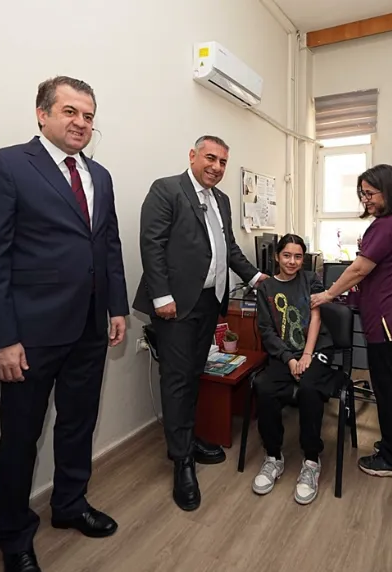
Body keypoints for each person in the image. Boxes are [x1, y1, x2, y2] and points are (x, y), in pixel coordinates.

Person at [0, 76, 128, 572]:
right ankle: (13, 536)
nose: (81, 122)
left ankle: (70, 504)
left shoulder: (100, 175)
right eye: (70, 111)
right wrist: (1, 338)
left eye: (88, 115)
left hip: (90, 327)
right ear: (42, 114)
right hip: (30, 335)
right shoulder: (6, 166)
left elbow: (108, 246)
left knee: (79, 423)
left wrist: (117, 308)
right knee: (21, 438)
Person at [133, 136, 265, 512]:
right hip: (175, 305)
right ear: (192, 156)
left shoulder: (220, 200)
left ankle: (187, 441)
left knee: (193, 375)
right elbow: (151, 244)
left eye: (223, 162)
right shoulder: (167, 190)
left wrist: (257, 278)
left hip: (208, 303)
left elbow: (229, 248)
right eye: (210, 158)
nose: (217, 167)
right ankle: (182, 461)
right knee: (177, 380)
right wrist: (161, 297)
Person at [311, 164, 392, 479]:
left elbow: (359, 269)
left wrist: (328, 294)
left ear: (389, 191)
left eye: (370, 193)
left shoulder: (387, 225)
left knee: (389, 390)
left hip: (390, 321)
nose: (366, 200)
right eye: (362, 194)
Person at [251, 234, 337, 505]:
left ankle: (311, 460)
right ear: (276, 256)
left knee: (310, 388)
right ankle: (273, 456)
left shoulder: (310, 280)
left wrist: (307, 355)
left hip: (315, 348)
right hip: (284, 354)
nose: (292, 261)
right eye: (287, 255)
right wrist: (289, 359)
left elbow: (316, 317)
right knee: (264, 387)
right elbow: (266, 331)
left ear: (304, 259)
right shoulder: (266, 288)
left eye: (298, 256)